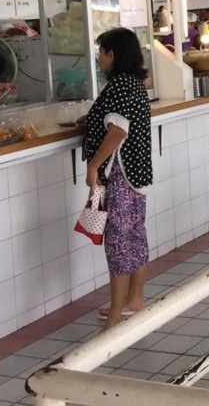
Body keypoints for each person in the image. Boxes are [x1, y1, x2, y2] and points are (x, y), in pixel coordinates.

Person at [82, 28, 153, 327]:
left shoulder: (120, 85)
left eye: (101, 53)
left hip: (120, 174)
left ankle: (114, 315)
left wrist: (93, 166)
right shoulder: (135, 83)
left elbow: (117, 131)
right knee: (135, 235)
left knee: (118, 242)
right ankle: (134, 299)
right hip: (137, 173)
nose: (99, 59)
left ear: (112, 55)